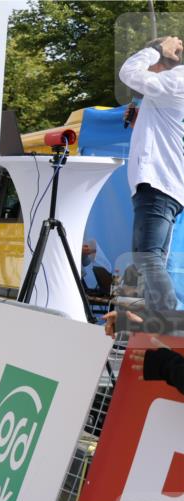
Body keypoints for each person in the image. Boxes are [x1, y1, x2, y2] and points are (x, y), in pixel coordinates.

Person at [119, 35, 184, 311]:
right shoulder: (168, 90)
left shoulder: (176, 80)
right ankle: (147, 326)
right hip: (163, 185)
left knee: (148, 258)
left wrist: (153, 50)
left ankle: (171, 328)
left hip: (158, 184)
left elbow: (129, 72)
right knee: (146, 259)